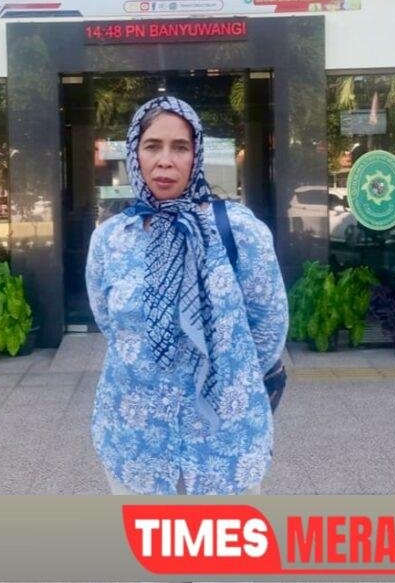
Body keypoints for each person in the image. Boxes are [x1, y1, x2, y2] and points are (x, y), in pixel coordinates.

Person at [85, 96, 288, 495]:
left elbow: (268, 329)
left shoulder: (240, 231)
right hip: (135, 442)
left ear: (197, 155)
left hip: (222, 445)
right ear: (134, 153)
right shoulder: (110, 239)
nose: (165, 161)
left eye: (180, 147)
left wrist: (224, 376)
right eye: (152, 146)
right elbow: (110, 324)